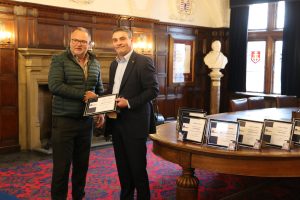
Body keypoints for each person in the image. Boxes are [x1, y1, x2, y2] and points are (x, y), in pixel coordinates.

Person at [48, 27, 105, 200]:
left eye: (83, 41)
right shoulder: (59, 59)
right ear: (70, 41)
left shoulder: (95, 62)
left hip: (85, 123)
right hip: (64, 121)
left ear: (89, 44)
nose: (78, 44)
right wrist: (83, 96)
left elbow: (99, 90)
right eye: (75, 40)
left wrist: (101, 111)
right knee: (62, 168)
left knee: (82, 167)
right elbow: (55, 86)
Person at [106, 27, 159, 200]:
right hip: (116, 123)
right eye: (115, 40)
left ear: (131, 41)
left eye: (122, 39)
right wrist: (98, 101)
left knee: (137, 169)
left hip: (135, 123)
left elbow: (153, 90)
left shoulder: (143, 61)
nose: (118, 43)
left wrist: (128, 103)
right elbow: (113, 90)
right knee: (122, 168)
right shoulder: (114, 64)